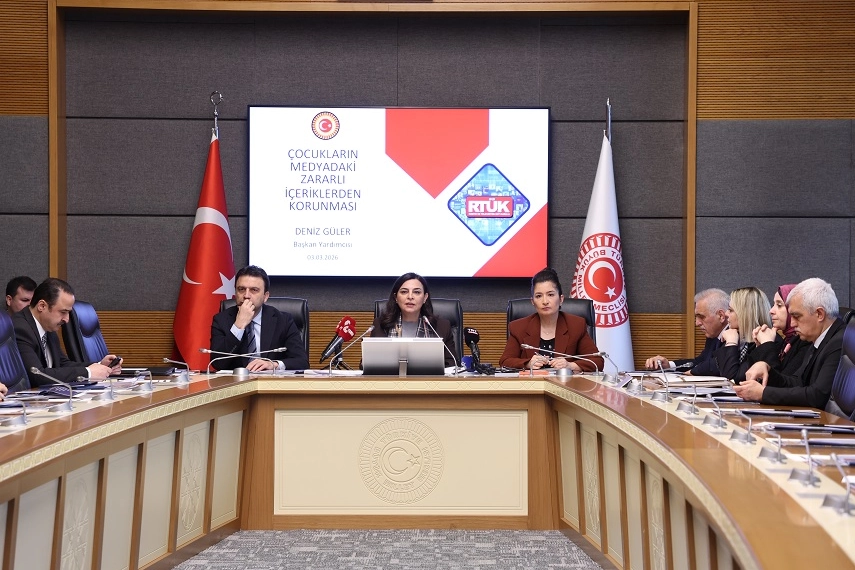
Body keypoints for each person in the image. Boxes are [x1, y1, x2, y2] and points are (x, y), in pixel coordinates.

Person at [734, 278, 844, 409]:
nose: (792, 323)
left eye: (797, 317)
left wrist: (763, 394)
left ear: (819, 314)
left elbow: (817, 395)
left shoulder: (840, 342)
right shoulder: (818, 338)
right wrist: (768, 370)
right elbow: (798, 382)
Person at [14, 278, 121, 387]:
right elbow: (36, 375)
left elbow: (62, 364)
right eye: (63, 312)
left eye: (68, 312)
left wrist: (99, 365)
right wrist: (87, 373)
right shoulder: (20, 328)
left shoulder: (47, 325)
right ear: (42, 306)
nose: (67, 319)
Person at [500, 268, 603, 372]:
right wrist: (528, 363)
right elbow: (505, 361)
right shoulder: (519, 327)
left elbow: (597, 362)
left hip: (565, 381)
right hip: (532, 381)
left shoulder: (576, 325)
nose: (545, 301)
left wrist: (570, 365)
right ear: (532, 302)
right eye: (539, 296)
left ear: (561, 299)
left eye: (550, 295)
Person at [210, 265, 309, 372]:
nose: (246, 295)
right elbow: (217, 363)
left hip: (270, 381)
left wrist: (273, 364)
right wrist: (238, 326)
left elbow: (302, 361)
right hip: (236, 381)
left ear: (265, 296)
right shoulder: (221, 320)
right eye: (241, 289)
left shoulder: (283, 321)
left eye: (254, 290)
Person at [370, 272, 458, 367]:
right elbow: (367, 363)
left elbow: (452, 364)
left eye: (417, 292)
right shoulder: (380, 325)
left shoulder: (441, 327)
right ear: (396, 297)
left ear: (425, 298)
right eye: (404, 292)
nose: (410, 297)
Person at [645, 288, 729, 375]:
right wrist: (669, 365)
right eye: (696, 317)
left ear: (721, 316)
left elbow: (717, 365)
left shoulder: (734, 337)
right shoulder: (713, 335)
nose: (697, 323)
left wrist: (694, 372)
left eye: (701, 317)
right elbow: (700, 362)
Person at [746, 284, 812, 377]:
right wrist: (760, 346)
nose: (771, 311)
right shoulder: (787, 340)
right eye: (774, 305)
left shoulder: (805, 342)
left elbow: (778, 381)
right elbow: (749, 375)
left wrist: (766, 344)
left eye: (779, 305)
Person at [714, 287, 771, 382]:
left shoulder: (765, 340)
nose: (726, 314)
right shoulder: (741, 337)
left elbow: (732, 379)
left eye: (731, 310)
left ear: (745, 314)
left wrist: (731, 343)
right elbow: (718, 367)